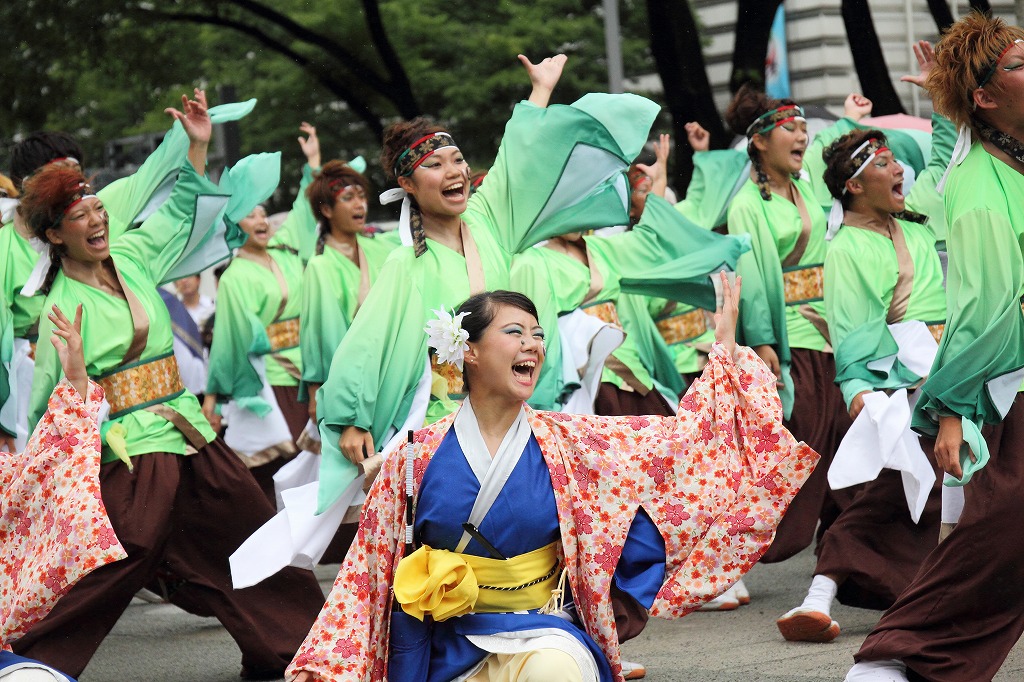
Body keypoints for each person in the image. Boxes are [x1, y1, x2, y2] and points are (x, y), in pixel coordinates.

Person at [287, 278, 817, 682]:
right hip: (440, 647)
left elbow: (685, 444)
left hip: (540, 634)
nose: (533, 345)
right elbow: (368, 577)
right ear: (467, 350)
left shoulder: (570, 441)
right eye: (514, 332)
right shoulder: (413, 459)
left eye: (539, 335)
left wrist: (723, 353)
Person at [14, 89, 325, 680]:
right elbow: (51, 407)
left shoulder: (132, 256)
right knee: (129, 545)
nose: (96, 220)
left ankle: (301, 648)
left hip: (187, 424)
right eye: (79, 216)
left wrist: (199, 145)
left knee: (248, 525)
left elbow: (183, 209)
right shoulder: (60, 304)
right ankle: (33, 661)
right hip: (131, 444)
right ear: (55, 236)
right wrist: (77, 375)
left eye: (97, 209)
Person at [314, 54, 661, 517]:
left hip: (514, 408)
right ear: (407, 183)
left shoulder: (489, 221)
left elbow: (516, 160)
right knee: (454, 532)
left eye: (457, 159)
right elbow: (366, 344)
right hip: (445, 420)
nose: (454, 171)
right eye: (435, 165)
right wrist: (351, 419)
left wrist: (539, 92)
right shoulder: (405, 264)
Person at [847, 13, 1024, 682]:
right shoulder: (982, 188)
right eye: (1021, 65)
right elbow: (983, 310)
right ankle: (893, 661)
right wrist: (951, 408)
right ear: (985, 97)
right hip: (1012, 385)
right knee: (1003, 534)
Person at [776, 129, 945, 643]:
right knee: (890, 492)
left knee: (943, 493)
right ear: (853, 185)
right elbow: (854, 328)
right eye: (885, 164)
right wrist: (858, 389)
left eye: (898, 162)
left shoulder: (912, 224)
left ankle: (938, 597)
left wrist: (945, 100)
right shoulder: (848, 247)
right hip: (902, 381)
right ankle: (817, 598)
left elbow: (943, 162)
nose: (900, 171)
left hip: (952, 368)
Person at [725, 84, 853, 566]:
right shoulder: (746, 206)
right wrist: (761, 342)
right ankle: (728, 553)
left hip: (833, 335)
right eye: (791, 129)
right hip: (792, 342)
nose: (802, 137)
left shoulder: (810, 190)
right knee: (801, 453)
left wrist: (845, 120)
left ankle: (844, 565)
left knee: (847, 452)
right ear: (759, 140)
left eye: (805, 129)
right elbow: (753, 279)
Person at [203, 124, 323, 499]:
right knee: (286, 469)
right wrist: (215, 396)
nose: (260, 220)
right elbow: (230, 342)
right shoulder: (235, 277)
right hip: (273, 378)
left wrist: (314, 165)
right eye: (249, 215)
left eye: (263, 213)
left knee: (321, 465)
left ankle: (334, 546)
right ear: (234, 225)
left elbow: (305, 211)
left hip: (312, 370)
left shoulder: (286, 252)